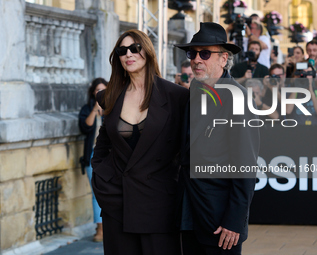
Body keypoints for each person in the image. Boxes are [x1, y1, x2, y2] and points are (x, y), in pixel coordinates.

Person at [91, 29, 189, 255]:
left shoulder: (176, 96)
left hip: (158, 204)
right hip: (118, 203)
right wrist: (102, 182)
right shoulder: (109, 96)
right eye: (122, 50)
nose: (128, 54)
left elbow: (186, 150)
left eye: (135, 48)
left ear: (148, 51)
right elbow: (103, 146)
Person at [175, 22, 260, 255]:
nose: (196, 60)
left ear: (224, 59)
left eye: (205, 53)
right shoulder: (194, 90)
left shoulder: (237, 98)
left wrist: (235, 220)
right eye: (192, 53)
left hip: (221, 221)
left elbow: (246, 165)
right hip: (189, 212)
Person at [78, 77, 108, 242]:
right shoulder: (87, 109)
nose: (100, 93)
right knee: (96, 193)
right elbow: (85, 127)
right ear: (93, 92)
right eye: (98, 90)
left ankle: (110, 226)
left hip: (110, 156)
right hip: (92, 156)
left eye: (103, 90)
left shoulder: (113, 108)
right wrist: (95, 110)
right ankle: (100, 228)